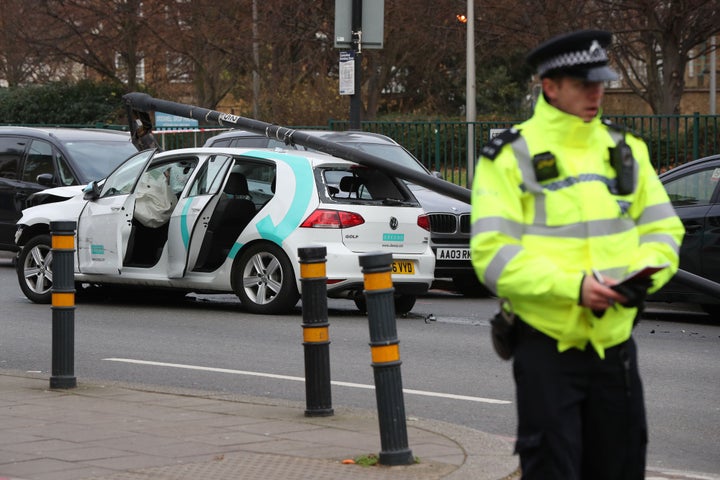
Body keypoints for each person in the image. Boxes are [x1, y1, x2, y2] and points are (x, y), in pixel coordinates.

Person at [470, 30, 685, 479]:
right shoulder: (510, 155)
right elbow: (492, 255)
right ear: (550, 86)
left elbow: (664, 231)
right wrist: (573, 287)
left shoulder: (625, 150)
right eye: (584, 83)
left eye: (601, 81)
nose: (597, 92)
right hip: (547, 348)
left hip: (616, 349)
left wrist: (642, 278)